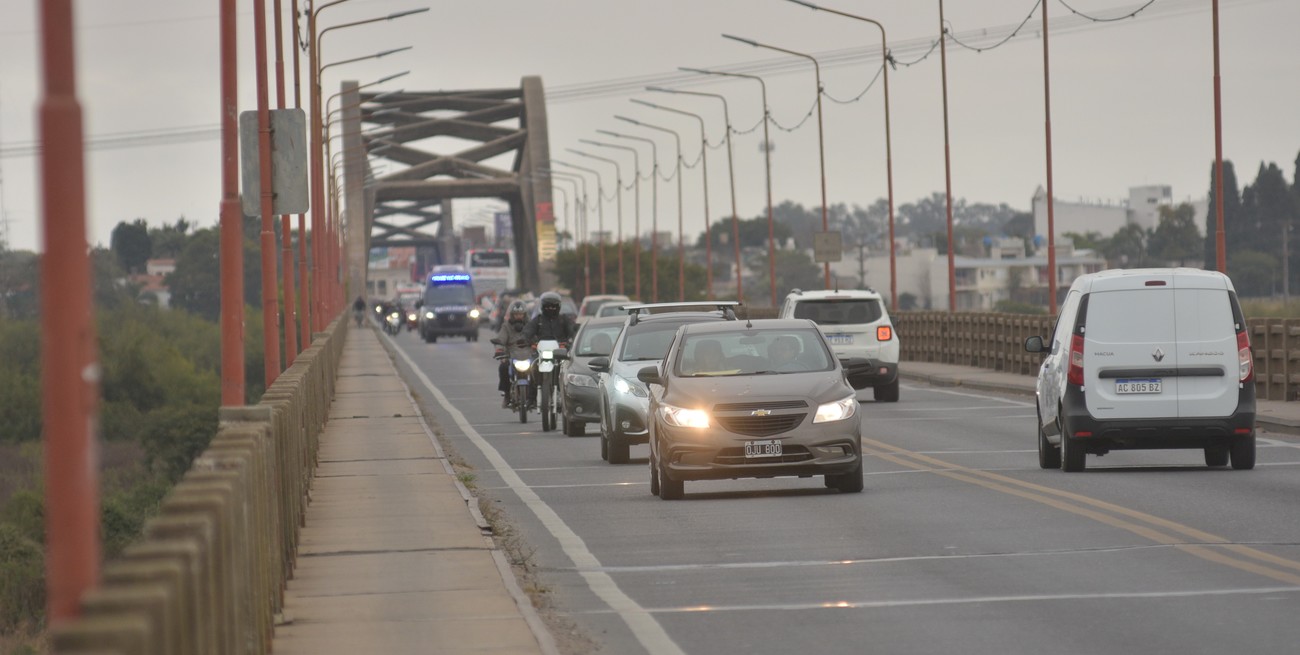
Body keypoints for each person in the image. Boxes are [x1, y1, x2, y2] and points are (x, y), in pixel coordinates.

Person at [521, 292, 576, 406]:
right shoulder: (538, 320)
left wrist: (572, 341)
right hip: (541, 352)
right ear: (543, 307)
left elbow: (572, 331)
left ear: (558, 307)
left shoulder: (563, 319)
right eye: (548, 306)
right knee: (532, 367)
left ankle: (569, 396)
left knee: (568, 369)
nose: (550, 309)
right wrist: (525, 339)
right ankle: (531, 396)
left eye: (553, 306)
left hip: (560, 353)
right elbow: (528, 330)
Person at [495, 301, 531, 408]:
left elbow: (537, 338)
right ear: (512, 315)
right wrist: (500, 350)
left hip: (529, 355)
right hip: (512, 355)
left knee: (540, 368)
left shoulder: (530, 326)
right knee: (503, 367)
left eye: (520, 314)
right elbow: (500, 340)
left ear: (524, 315)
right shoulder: (506, 327)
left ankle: (537, 394)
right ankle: (507, 394)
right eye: (516, 314)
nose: (518, 316)